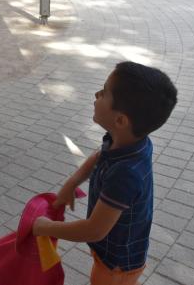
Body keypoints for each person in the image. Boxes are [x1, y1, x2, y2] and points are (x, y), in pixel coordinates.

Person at [33, 61, 178, 285]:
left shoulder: (125, 175)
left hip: (116, 265)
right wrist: (73, 182)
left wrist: (45, 227)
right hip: (113, 253)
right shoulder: (127, 140)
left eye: (104, 92)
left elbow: (94, 230)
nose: (96, 94)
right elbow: (99, 156)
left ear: (120, 120)